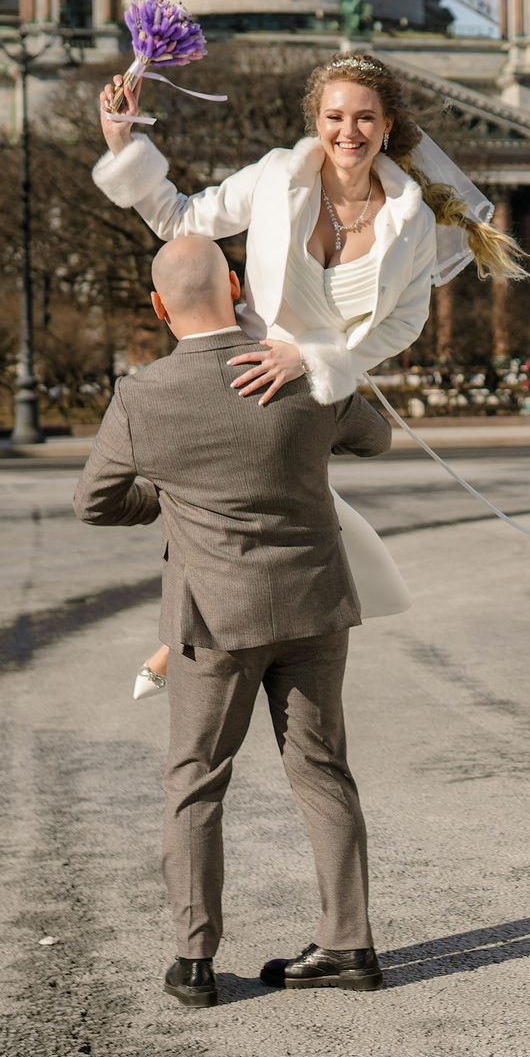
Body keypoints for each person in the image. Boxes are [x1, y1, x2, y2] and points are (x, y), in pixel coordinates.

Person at [93, 51, 521, 699]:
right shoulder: (275, 176)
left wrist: (315, 360)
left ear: (387, 124)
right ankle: (187, 641)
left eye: (364, 118)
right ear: (315, 120)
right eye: (334, 117)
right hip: (240, 359)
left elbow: (403, 324)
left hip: (316, 377)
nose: (348, 132)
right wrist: (123, 139)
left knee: (274, 497)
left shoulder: (411, 220)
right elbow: (180, 218)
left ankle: (191, 639)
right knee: (256, 501)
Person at [74, 235, 393, 1004]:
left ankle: (195, 961)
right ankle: (349, 945)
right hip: (315, 605)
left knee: (196, 781)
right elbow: (376, 435)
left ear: (157, 307)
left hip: (213, 617)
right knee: (323, 773)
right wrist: (309, 350)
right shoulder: (299, 371)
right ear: (239, 285)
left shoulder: (143, 396)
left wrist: (172, 501)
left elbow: (95, 502)